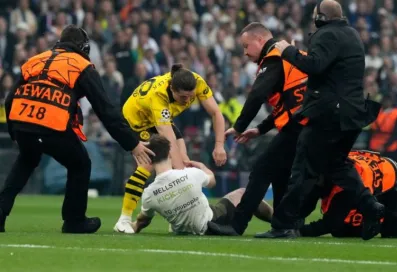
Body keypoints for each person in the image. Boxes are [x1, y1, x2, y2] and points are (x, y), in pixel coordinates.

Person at [0, 25, 153, 233]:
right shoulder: (82, 65)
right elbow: (106, 110)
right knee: (80, 164)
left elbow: (10, 99)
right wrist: (132, 144)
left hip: (22, 122)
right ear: (84, 47)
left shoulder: (35, 59)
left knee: (26, 161)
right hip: (51, 124)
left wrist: (14, 130)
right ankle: (74, 220)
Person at [257, 0, 383, 240]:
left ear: (322, 18)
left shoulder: (326, 35)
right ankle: (369, 205)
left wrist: (288, 51)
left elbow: (315, 65)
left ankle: (283, 225)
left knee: (301, 168)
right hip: (352, 115)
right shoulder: (352, 34)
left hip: (328, 115)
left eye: (316, 15)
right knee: (337, 166)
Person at [206, 22, 309, 237]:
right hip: (306, 124)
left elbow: (257, 95)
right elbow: (287, 104)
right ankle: (286, 225)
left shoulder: (273, 56)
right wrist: (260, 129)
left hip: (297, 127)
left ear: (260, 40)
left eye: (246, 46)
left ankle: (237, 224)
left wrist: (239, 126)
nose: (244, 53)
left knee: (262, 170)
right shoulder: (291, 55)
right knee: (281, 174)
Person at [114, 64, 227, 233]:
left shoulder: (197, 81)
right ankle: (123, 219)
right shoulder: (159, 96)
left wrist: (219, 145)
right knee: (147, 164)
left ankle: (178, 216)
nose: (188, 101)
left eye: (191, 97)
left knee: (183, 157)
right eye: (183, 97)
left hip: (159, 118)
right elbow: (169, 139)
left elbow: (216, 113)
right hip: (136, 122)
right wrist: (182, 179)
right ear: (172, 89)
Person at [117, 135, 272, 235]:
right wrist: (202, 167)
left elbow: (144, 220)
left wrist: (135, 226)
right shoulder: (189, 173)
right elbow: (212, 182)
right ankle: (280, 222)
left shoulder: (149, 194)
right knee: (243, 193)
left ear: (149, 160)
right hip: (213, 223)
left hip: (184, 230)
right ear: (170, 154)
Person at [299, 150, 397, 239]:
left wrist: (296, 231)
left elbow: (328, 224)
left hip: (390, 185)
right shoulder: (335, 167)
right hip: (374, 179)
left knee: (393, 231)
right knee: (344, 230)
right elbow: (309, 198)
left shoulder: (345, 186)